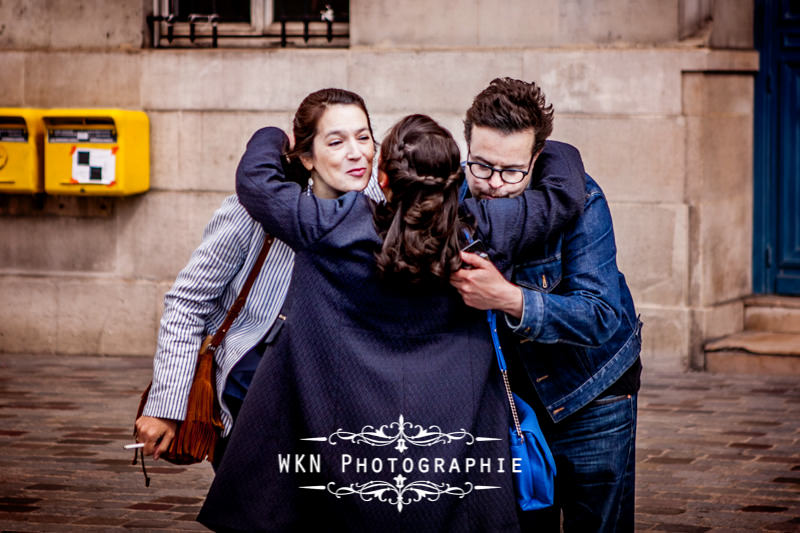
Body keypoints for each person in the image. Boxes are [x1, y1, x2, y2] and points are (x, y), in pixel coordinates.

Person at [197, 113, 586, 532]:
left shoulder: (331, 225)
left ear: (381, 178)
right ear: (453, 176)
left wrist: (274, 135)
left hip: (342, 453)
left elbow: (256, 180)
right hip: (454, 452)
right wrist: (546, 150)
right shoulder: (488, 230)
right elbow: (565, 189)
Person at [134, 89, 384, 464]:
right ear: (306, 157)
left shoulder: (387, 209)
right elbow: (187, 302)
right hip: (253, 397)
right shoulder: (255, 209)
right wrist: (165, 406)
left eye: (363, 137)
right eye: (336, 141)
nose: (357, 152)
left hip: (343, 406)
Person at [450, 77, 643, 532]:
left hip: (591, 396)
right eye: (482, 166)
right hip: (509, 407)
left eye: (512, 171)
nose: (495, 184)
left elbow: (601, 315)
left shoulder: (582, 199)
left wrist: (510, 299)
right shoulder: (454, 197)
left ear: (536, 159)